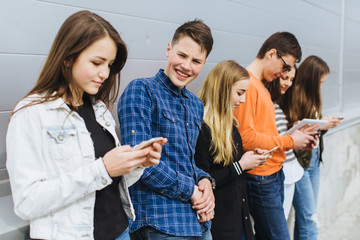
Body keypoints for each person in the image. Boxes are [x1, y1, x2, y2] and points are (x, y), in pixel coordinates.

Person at [6, 10, 166, 240]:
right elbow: (26, 203)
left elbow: (112, 180)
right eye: (96, 62)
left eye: (109, 64)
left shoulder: (100, 110)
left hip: (120, 231)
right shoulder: (31, 113)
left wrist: (137, 163)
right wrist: (102, 169)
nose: (105, 73)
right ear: (67, 58)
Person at [118, 19, 215, 239]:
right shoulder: (141, 91)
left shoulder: (195, 105)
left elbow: (186, 161)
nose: (186, 66)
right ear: (169, 49)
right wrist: (190, 191)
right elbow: (139, 163)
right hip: (159, 222)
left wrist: (204, 181)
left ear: (205, 62)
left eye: (196, 61)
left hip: (198, 222)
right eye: (182, 55)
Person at [233, 32, 317, 240]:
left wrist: (295, 139)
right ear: (272, 54)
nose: (283, 74)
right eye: (285, 67)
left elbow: (264, 134)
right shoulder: (247, 84)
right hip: (261, 178)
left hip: (272, 174)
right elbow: (246, 138)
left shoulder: (259, 86)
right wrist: (290, 140)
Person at [195, 60, 269, 240]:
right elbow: (204, 179)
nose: (243, 100)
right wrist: (241, 165)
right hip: (220, 223)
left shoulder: (231, 125)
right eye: (239, 93)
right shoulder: (202, 128)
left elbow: (233, 166)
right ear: (222, 89)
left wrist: (249, 160)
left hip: (239, 217)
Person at [287, 55, 342, 240]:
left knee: (307, 217)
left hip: (314, 160)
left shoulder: (313, 98)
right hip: (300, 163)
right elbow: (291, 133)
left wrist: (323, 125)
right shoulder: (293, 97)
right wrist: (320, 125)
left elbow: (312, 131)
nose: (321, 86)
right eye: (320, 81)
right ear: (311, 79)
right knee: (309, 219)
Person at [263, 67, 305, 220]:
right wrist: (292, 139)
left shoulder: (276, 104)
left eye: (291, 80)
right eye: (285, 78)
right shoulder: (266, 104)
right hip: (275, 172)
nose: (288, 83)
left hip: (288, 169)